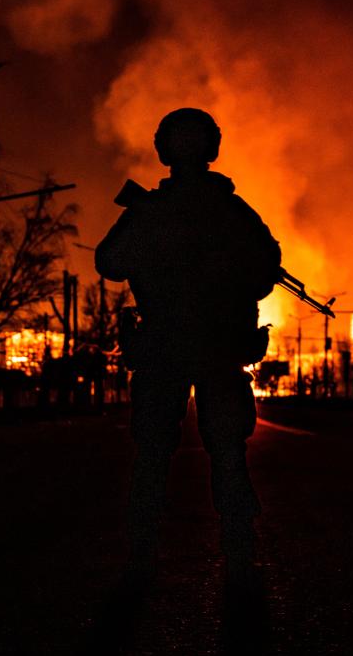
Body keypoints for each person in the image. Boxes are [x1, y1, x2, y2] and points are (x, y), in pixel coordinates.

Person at [95, 108, 281, 587]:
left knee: (158, 452)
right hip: (209, 347)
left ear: (163, 150)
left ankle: (144, 550)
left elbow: (112, 262)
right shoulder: (230, 212)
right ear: (213, 149)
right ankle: (236, 549)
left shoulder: (165, 213)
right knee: (224, 451)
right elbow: (263, 274)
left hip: (169, 347)